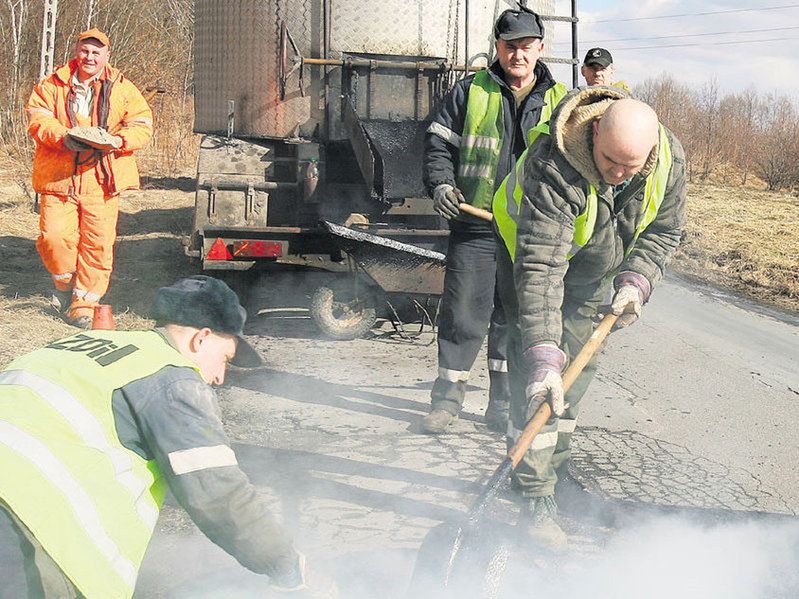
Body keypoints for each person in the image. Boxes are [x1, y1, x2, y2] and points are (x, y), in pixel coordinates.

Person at [0, 275, 337, 599]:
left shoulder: (78, 345)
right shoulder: (171, 377)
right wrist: (287, 567)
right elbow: (218, 491)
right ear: (201, 338)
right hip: (21, 522)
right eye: (225, 359)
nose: (220, 378)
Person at [493, 87, 686, 548]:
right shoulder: (554, 161)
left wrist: (636, 280)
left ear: (651, 151)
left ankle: (555, 473)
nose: (618, 174)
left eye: (630, 165)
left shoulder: (669, 159)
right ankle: (533, 495)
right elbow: (541, 266)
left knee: (575, 375)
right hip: (528, 258)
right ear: (594, 131)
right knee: (540, 377)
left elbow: (665, 230)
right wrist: (542, 352)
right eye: (609, 160)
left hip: (592, 272)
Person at [421, 7, 568, 434]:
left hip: (531, 232)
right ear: (497, 48)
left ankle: (501, 404)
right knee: (463, 314)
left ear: (540, 48)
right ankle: (446, 401)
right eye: (510, 47)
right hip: (477, 224)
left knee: (513, 318)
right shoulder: (470, 91)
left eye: (526, 46)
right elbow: (437, 147)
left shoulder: (562, 103)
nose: (517, 55)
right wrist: (442, 186)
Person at [26, 28, 153, 329]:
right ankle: (64, 286)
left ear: (107, 56)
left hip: (102, 180)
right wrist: (63, 137)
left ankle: (84, 304)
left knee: (97, 245)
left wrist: (120, 141)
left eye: (96, 52)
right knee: (54, 238)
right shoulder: (52, 84)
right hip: (59, 178)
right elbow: (38, 118)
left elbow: (142, 124)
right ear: (77, 52)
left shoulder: (122, 87)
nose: (90, 57)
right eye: (85, 51)